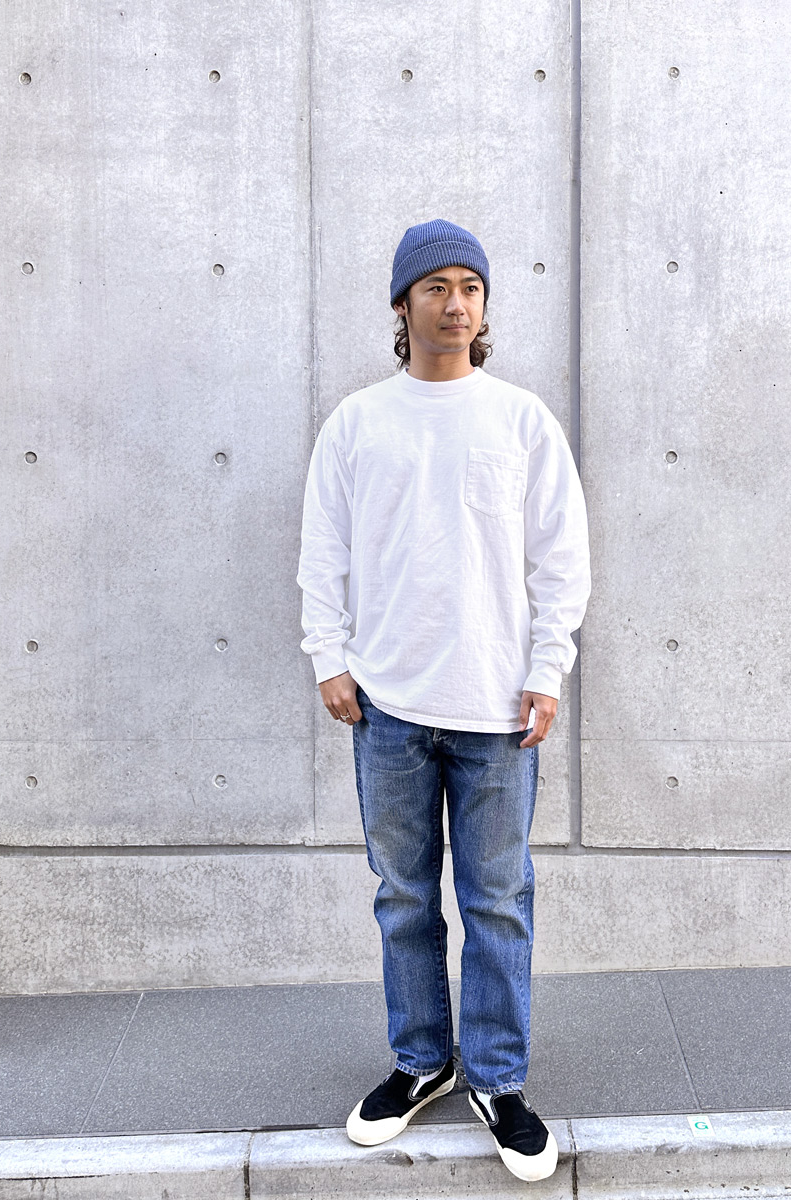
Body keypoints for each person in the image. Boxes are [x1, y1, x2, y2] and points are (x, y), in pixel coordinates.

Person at [296, 218, 591, 1183]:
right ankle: (422, 1061)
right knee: (404, 898)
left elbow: (561, 556)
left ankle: (496, 1080)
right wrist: (329, 658)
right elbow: (323, 551)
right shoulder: (357, 423)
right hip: (386, 705)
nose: (455, 303)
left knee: (498, 902)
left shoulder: (520, 420)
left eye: (470, 286)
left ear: (484, 304)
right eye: (436, 287)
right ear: (403, 304)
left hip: (497, 710)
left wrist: (547, 668)